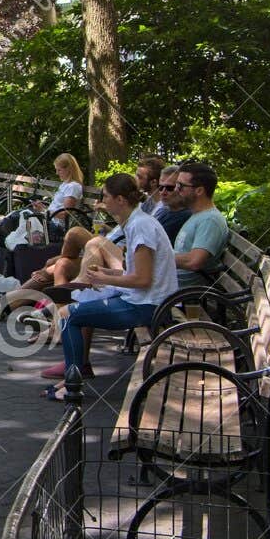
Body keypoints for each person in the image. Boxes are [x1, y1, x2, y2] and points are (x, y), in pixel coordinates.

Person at [44, 173, 178, 400]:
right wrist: (109, 273)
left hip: (147, 305)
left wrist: (104, 280)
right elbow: (139, 274)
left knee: (68, 315)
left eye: (105, 196)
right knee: (74, 309)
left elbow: (143, 280)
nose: (102, 201)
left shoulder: (140, 227)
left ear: (121, 200)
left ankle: (73, 385)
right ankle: (71, 378)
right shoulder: (137, 222)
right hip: (145, 299)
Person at [171, 160, 229, 289]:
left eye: (180, 186)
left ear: (199, 191)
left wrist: (158, 257)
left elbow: (194, 261)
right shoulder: (199, 215)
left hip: (178, 292)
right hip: (168, 283)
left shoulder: (210, 221)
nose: (175, 190)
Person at [33, 152, 84, 230]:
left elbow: (65, 214)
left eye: (59, 170)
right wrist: (44, 208)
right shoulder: (65, 184)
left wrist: (44, 210)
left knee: (21, 216)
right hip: (49, 221)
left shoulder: (73, 187)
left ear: (69, 169)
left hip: (57, 227)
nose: (57, 173)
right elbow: (57, 207)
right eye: (56, 170)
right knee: (19, 215)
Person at [148, 165, 193, 242]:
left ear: (181, 187)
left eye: (170, 188)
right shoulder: (161, 211)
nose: (163, 192)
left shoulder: (189, 217)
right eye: (160, 187)